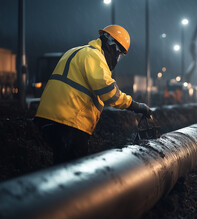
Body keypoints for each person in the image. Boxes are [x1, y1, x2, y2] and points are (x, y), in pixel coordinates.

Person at [34, 25, 151, 164]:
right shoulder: (94, 56)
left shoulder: (74, 51)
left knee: (60, 168)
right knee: (74, 173)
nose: (117, 59)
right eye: (119, 54)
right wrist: (135, 105)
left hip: (46, 119)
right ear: (111, 46)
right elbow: (109, 93)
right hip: (69, 123)